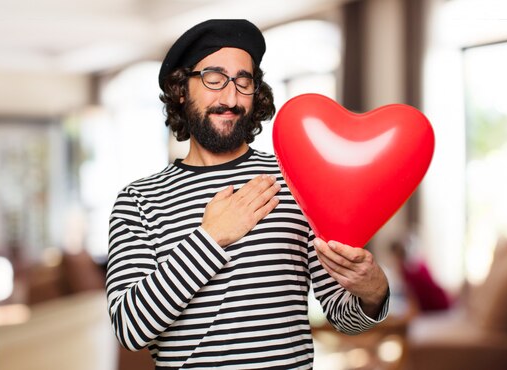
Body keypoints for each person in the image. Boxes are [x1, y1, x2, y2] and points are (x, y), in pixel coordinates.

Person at [106, 19, 390, 369]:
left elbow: (343, 318)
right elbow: (130, 329)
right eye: (213, 78)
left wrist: (374, 291)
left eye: (244, 81)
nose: (230, 97)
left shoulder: (296, 180)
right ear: (181, 90)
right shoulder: (138, 201)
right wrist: (211, 237)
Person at [389, 239, 451, 312]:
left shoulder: (407, 268)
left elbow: (410, 293)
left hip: (435, 301)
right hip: (436, 299)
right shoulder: (414, 263)